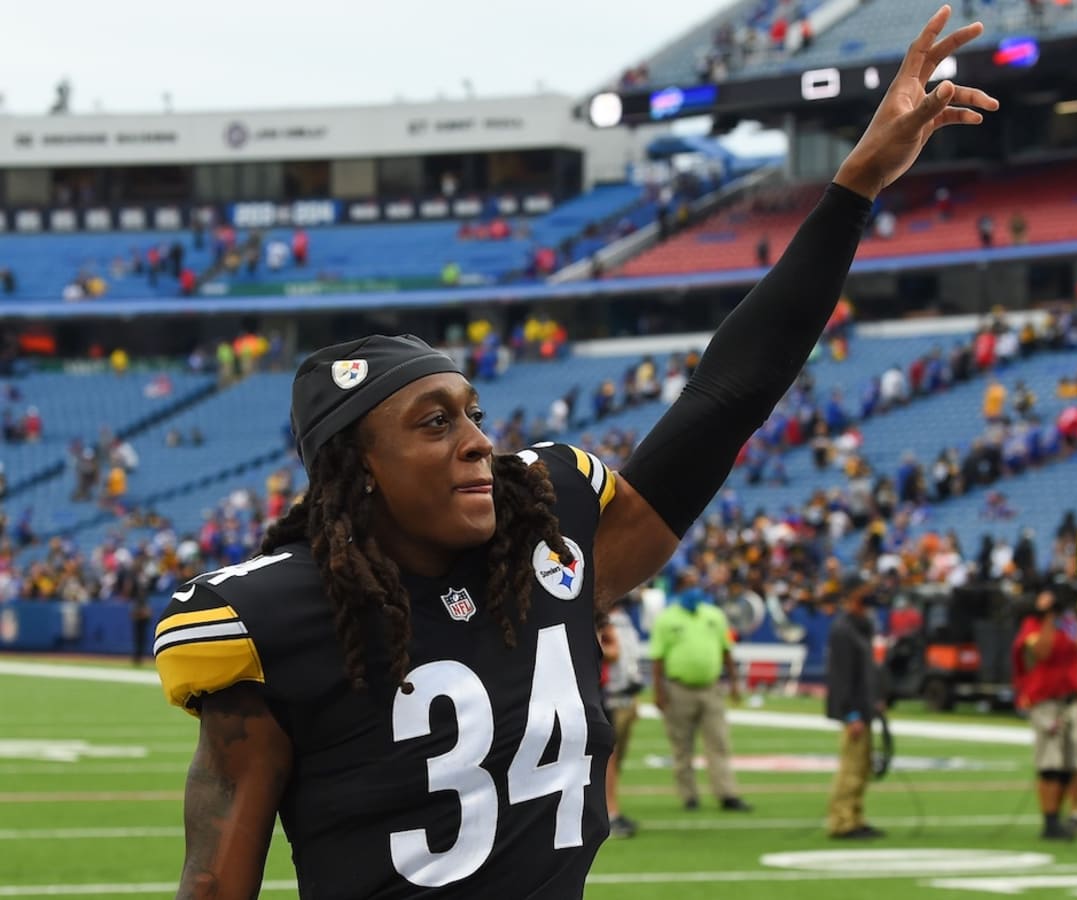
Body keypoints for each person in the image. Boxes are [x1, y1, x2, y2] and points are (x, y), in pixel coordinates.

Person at [151, 9, 997, 897]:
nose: (479, 441)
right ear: (355, 469)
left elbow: (728, 395)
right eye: (434, 423)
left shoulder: (545, 544)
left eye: (473, 413)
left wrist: (853, 187)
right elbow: (215, 884)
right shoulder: (272, 617)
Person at [649, 570, 750, 812]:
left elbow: (726, 650)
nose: (694, 590)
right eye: (687, 584)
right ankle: (689, 796)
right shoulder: (666, 619)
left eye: (696, 584)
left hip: (711, 687)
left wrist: (734, 683)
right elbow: (657, 658)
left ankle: (726, 793)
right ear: (678, 588)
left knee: (719, 741)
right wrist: (659, 692)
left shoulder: (714, 615)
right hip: (678, 688)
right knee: (681, 745)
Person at [1011, 585, 1077, 840]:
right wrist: (1048, 618)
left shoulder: (1069, 624)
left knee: (1069, 764)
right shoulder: (1033, 624)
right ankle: (1049, 819)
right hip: (1045, 700)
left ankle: (1062, 815)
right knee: (1050, 764)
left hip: (1069, 698)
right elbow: (1041, 651)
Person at [825, 574, 885, 839]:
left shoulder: (863, 625)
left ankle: (856, 816)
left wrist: (876, 699)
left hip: (866, 706)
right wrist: (851, 713)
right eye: (865, 590)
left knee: (862, 768)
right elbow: (841, 676)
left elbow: (868, 670)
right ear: (852, 595)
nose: (870, 594)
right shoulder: (843, 630)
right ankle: (841, 821)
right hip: (855, 711)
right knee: (850, 767)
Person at [600, 592, 644, 838]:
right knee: (606, 758)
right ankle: (609, 812)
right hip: (600, 693)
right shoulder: (601, 619)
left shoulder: (614, 620)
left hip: (604, 693)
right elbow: (613, 652)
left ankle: (608, 809)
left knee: (609, 757)